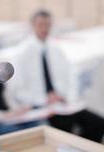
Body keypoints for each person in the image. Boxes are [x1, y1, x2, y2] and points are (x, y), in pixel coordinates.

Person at [9, 10, 104, 142]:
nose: (44, 29)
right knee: (65, 124)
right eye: (40, 24)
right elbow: (17, 90)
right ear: (32, 25)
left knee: (98, 123)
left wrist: (65, 96)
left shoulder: (56, 50)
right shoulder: (21, 54)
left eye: (47, 25)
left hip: (61, 103)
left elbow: (72, 79)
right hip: (39, 105)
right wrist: (44, 98)